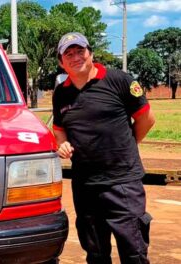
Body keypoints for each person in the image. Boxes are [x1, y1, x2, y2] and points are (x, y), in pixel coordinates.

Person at [52, 32, 155, 264]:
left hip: (123, 182)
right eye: (68, 54)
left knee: (134, 251)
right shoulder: (61, 93)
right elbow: (59, 128)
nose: (75, 57)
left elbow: (147, 119)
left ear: (91, 53)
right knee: (96, 253)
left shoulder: (120, 81)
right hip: (85, 185)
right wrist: (62, 143)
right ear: (61, 62)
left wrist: (128, 145)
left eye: (80, 51)